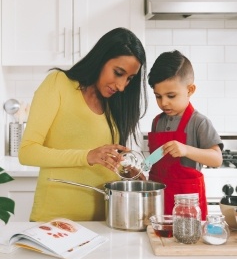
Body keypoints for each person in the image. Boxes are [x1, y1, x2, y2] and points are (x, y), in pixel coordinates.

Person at [18, 27, 148, 222]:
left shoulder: (115, 103)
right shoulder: (58, 83)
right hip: (55, 222)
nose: (121, 86)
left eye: (129, 79)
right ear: (101, 59)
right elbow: (27, 152)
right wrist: (87, 155)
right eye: (118, 72)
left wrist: (125, 172)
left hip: (104, 222)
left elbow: (102, 162)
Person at [147, 50, 223, 220]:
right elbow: (157, 157)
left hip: (188, 203)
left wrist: (187, 150)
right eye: (158, 96)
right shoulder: (157, 121)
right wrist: (141, 166)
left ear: (190, 89)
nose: (164, 102)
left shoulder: (199, 122)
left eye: (171, 96)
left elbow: (217, 159)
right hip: (159, 199)